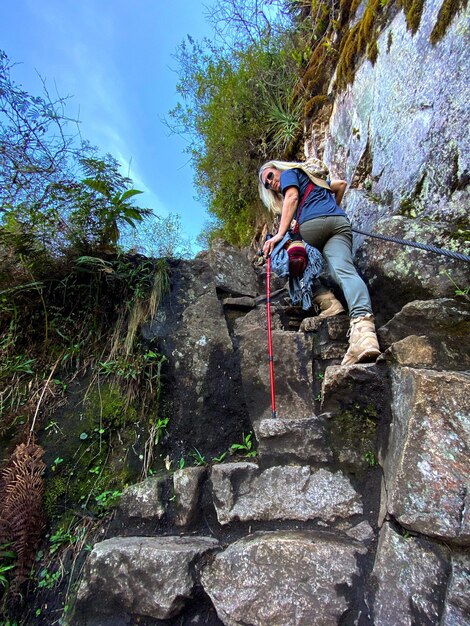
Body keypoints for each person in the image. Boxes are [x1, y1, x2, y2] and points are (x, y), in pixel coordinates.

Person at [258, 159, 380, 366]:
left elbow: (292, 196)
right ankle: (365, 332)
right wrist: (330, 211)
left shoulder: (290, 173)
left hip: (312, 226)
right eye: (267, 185)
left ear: (278, 168)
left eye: (270, 176)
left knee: (286, 261)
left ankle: (328, 302)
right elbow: (340, 185)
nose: (271, 183)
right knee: (344, 271)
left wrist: (279, 235)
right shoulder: (315, 179)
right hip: (339, 224)